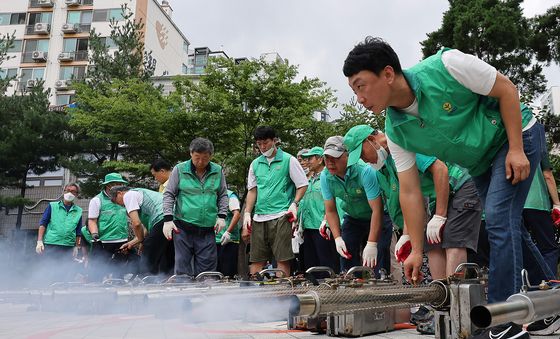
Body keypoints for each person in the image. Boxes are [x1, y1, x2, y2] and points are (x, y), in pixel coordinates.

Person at [343, 36, 553, 338]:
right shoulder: (396, 129)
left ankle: (502, 320)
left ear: (387, 74)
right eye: (354, 90)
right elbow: (411, 191)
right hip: (480, 161)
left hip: (515, 134)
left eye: (361, 86)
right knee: (506, 224)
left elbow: (507, 90)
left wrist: (517, 149)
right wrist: (416, 249)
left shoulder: (447, 66)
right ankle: (550, 300)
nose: (359, 98)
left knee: (496, 218)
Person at [243, 126, 308, 277]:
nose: (262, 147)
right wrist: (247, 213)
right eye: (259, 144)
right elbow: (252, 190)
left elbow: (303, 184)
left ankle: (282, 293)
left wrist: (294, 203)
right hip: (259, 216)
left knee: (282, 258)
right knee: (256, 258)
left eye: (265, 142)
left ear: (274, 141)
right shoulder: (255, 164)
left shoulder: (288, 160)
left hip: (281, 215)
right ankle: (256, 292)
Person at [162, 137, 228, 277]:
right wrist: (168, 219)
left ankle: (206, 298)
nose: (200, 162)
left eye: (205, 158)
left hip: (207, 230)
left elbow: (222, 195)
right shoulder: (179, 169)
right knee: (183, 268)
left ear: (211, 156)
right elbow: (169, 194)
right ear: (190, 153)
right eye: (197, 157)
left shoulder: (217, 171)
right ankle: (182, 297)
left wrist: (222, 216)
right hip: (183, 228)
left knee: (207, 272)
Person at [320, 136, 383, 274]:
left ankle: (382, 287)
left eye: (335, 158)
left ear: (348, 156)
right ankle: (353, 289)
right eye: (326, 158)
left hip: (377, 216)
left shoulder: (364, 171)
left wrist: (372, 243)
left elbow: (377, 209)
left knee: (378, 258)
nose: (330, 163)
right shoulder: (325, 176)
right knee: (346, 253)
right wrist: (337, 238)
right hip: (352, 217)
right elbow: (330, 210)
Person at [109, 186, 174, 276]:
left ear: (120, 193)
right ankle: (169, 276)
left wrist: (141, 241)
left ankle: (146, 277)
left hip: (163, 217)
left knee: (148, 249)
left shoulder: (129, 195)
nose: (121, 205)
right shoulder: (141, 196)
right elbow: (146, 229)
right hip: (174, 218)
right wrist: (132, 243)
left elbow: (136, 223)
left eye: (117, 202)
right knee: (166, 250)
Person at [297, 147, 339, 275]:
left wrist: (326, 220)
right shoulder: (308, 180)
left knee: (326, 262)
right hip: (308, 227)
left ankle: (329, 289)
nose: (307, 161)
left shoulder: (329, 177)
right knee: (310, 264)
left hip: (322, 227)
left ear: (320, 159)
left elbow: (335, 201)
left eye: (310, 158)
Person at [84, 173, 130, 280]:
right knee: (99, 272)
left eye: (120, 183)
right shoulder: (97, 200)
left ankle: (119, 291)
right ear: (108, 185)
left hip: (122, 241)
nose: (119, 186)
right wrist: (94, 234)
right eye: (116, 184)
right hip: (104, 242)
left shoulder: (123, 199)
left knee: (119, 273)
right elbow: (92, 220)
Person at [35, 183, 83, 281]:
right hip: (51, 243)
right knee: (49, 269)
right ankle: (46, 290)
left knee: (64, 271)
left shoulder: (78, 211)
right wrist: (39, 241)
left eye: (73, 191)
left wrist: (77, 246)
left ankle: (61, 292)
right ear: (63, 191)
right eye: (68, 190)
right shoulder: (52, 206)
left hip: (68, 246)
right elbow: (43, 223)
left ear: (76, 194)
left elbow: (78, 231)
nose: (70, 193)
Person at [215, 189, 241, 277]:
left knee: (227, 274)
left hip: (228, 241)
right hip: (213, 241)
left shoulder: (230, 195)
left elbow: (237, 214)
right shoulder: (210, 194)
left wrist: (228, 232)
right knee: (214, 274)